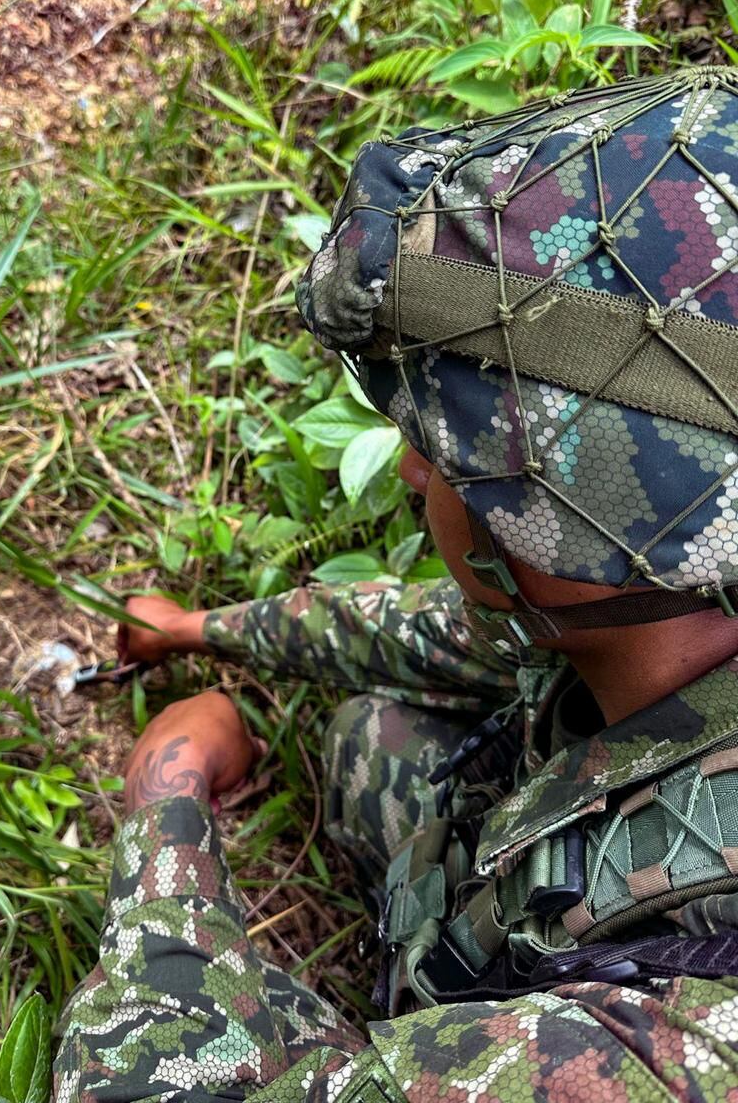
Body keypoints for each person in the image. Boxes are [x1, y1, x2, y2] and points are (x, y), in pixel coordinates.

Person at [53, 68, 738, 1102]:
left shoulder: (684, 1046)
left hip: (578, 1009)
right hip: (539, 874)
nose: (413, 470)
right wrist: (203, 629)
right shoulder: (661, 596)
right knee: (366, 730)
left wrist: (167, 796)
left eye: (444, 443)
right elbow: (429, 635)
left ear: (572, 525)